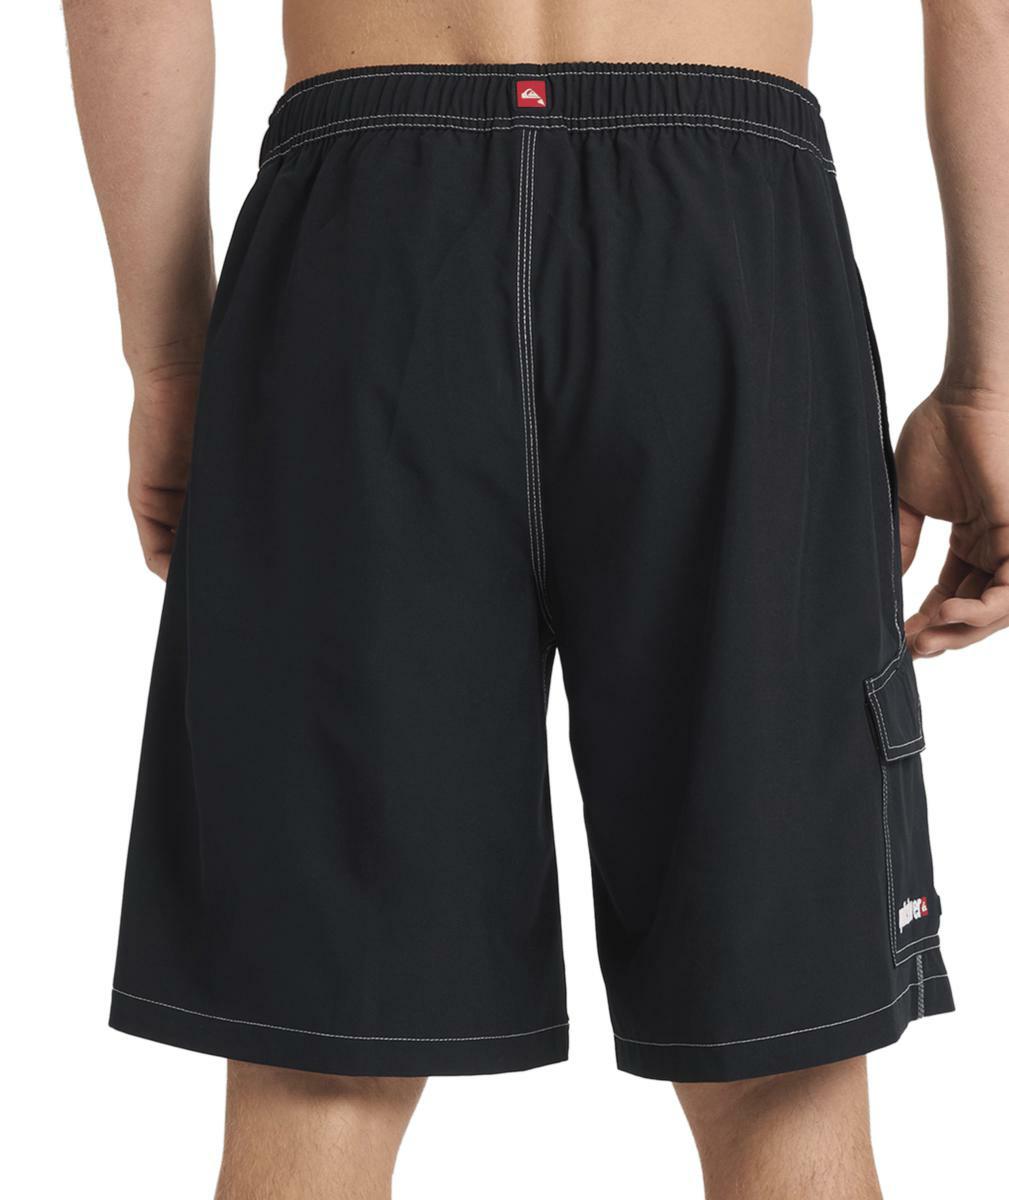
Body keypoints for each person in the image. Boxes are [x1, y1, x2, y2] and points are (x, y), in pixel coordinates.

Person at [66, 1, 1008, 1197]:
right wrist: (987, 383)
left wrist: (170, 364)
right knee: (784, 1074)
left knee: (319, 1071)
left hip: (361, 234)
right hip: (722, 229)